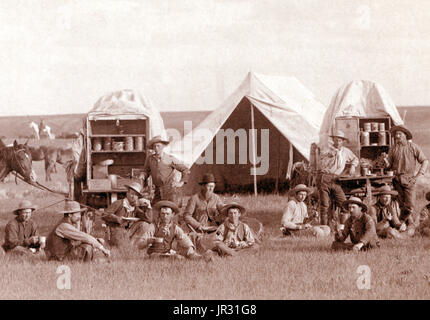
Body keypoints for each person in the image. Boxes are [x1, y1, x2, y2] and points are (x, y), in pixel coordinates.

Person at [384, 125, 428, 230]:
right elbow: (389, 165)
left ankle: (400, 223)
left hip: (409, 180)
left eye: (400, 134)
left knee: (410, 205)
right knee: (399, 204)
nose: (397, 136)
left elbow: (425, 161)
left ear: (405, 136)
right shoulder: (393, 148)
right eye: (396, 134)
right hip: (397, 180)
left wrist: (418, 176)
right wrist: (385, 160)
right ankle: (407, 225)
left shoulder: (413, 147)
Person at [45, 200, 110, 262]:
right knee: (87, 247)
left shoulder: (66, 224)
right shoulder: (64, 226)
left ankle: (95, 261)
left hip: (62, 254)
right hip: (58, 258)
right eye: (77, 214)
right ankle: (92, 262)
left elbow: (79, 238)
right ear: (70, 215)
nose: (79, 216)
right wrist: (102, 248)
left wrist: (96, 240)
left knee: (92, 243)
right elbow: (85, 237)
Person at [318, 130, 359, 228]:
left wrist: (353, 166)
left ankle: (343, 227)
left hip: (336, 180)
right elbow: (321, 163)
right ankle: (324, 228)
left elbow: (355, 159)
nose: (338, 143)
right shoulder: (327, 150)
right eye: (336, 140)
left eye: (340, 140)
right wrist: (329, 156)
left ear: (342, 141)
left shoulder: (345, 151)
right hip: (325, 178)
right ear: (333, 140)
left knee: (344, 204)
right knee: (325, 205)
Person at [136, 200, 201, 260]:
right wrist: (148, 241)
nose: (165, 217)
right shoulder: (153, 226)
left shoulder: (175, 228)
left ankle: (200, 258)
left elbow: (183, 238)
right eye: (163, 214)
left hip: (168, 252)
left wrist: (190, 247)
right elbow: (139, 245)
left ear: (172, 215)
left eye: (167, 214)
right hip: (154, 253)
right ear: (159, 214)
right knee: (171, 257)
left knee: (183, 255)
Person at [101, 182, 153, 248]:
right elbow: (104, 215)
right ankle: (126, 246)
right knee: (121, 245)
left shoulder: (135, 208)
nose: (133, 197)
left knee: (144, 225)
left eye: (136, 195)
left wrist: (149, 206)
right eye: (132, 194)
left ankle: (131, 246)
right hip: (115, 231)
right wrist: (117, 219)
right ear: (127, 193)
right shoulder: (119, 203)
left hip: (128, 232)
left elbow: (149, 220)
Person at [141, 135, 190, 204]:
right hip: (157, 191)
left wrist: (180, 183)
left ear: (163, 146)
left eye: (158, 146)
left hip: (170, 191)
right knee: (155, 209)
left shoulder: (170, 158)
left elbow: (185, 170)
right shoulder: (150, 159)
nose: (156, 148)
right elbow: (146, 171)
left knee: (171, 211)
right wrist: (143, 174)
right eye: (154, 146)